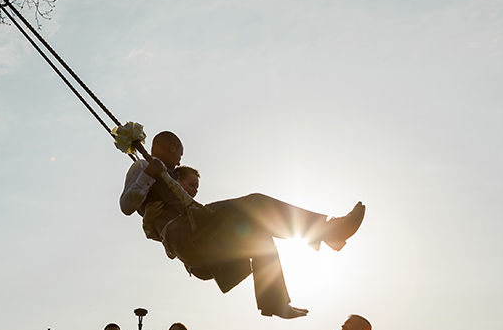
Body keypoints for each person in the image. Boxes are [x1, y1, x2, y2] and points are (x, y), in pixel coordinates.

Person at [119, 130, 366, 320]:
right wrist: (148, 174)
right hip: (186, 237)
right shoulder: (143, 166)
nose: (178, 160)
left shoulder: (170, 177)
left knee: (259, 234)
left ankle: (275, 302)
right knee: (256, 203)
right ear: (173, 147)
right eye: (179, 155)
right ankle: (327, 231)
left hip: (198, 243)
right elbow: (126, 205)